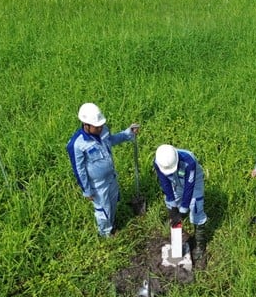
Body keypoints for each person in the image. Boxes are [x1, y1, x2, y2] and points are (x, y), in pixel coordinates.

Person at [67, 102, 139, 237]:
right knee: (102, 210)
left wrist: (127, 133)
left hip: (111, 177)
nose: (100, 128)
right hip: (97, 185)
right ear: (86, 125)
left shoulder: (103, 130)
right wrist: (86, 190)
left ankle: (112, 224)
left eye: (101, 125)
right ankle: (106, 234)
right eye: (97, 126)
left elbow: (111, 140)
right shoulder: (77, 144)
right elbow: (79, 169)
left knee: (112, 203)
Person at [154, 144, 208, 264]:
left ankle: (199, 244)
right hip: (175, 182)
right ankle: (177, 242)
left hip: (194, 183)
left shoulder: (189, 161)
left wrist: (183, 211)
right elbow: (165, 183)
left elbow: (189, 187)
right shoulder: (159, 162)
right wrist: (173, 206)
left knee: (195, 207)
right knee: (172, 207)